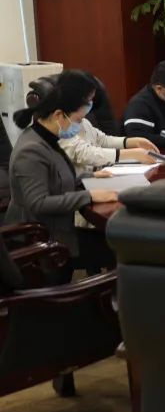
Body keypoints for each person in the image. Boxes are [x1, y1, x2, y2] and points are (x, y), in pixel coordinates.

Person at [6, 71, 118, 282]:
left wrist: (90, 176)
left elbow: (57, 178)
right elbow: (38, 203)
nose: (80, 126)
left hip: (58, 229)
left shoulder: (48, 138)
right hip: (42, 242)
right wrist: (89, 196)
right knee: (119, 249)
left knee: (118, 244)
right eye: (78, 120)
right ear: (59, 115)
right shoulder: (31, 150)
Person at [55, 70, 160, 175]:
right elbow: (83, 153)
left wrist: (132, 142)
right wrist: (130, 153)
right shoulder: (59, 124)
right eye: (88, 100)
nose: (90, 104)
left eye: (92, 100)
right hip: (81, 181)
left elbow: (102, 140)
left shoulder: (84, 121)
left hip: (97, 174)